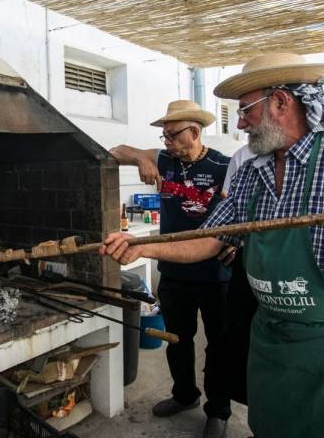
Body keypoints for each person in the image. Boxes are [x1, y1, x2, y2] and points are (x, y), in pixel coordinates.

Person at [101, 52, 324, 438]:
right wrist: (141, 248)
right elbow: (209, 239)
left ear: (281, 102)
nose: (238, 122)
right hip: (273, 340)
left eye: (245, 109)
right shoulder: (252, 173)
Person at [109, 99, 231, 438]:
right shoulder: (163, 159)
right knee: (178, 340)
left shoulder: (224, 166)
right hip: (175, 273)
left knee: (218, 346)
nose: (167, 142)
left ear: (194, 132)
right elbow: (114, 149)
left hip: (215, 275)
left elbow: (240, 214)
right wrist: (140, 157)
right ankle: (184, 395)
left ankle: (218, 410)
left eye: (172, 136)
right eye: (163, 137)